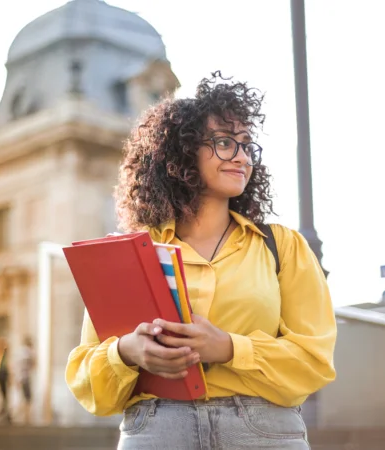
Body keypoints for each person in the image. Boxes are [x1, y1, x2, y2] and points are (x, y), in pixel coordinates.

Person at [65, 72, 337, 449]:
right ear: (183, 152)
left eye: (246, 145)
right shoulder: (129, 254)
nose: (241, 156)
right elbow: (88, 380)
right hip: (158, 429)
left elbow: (315, 360)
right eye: (224, 142)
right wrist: (128, 351)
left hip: (264, 432)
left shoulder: (282, 247)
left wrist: (227, 347)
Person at [16, 336, 35, 424]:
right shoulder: (28, 353)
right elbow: (33, 364)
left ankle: (24, 414)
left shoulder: (20, 352)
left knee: (24, 396)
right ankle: (26, 415)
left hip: (21, 377)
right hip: (26, 377)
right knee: (27, 397)